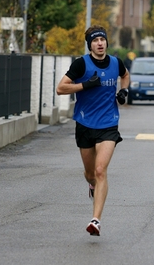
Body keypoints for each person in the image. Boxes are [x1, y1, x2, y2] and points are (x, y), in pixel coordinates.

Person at [56, 25, 130, 236]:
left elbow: (125, 76)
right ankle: (92, 185)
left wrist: (123, 91)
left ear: (107, 42)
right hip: (85, 123)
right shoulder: (81, 64)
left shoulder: (116, 63)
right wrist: (85, 85)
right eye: (95, 40)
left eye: (102, 40)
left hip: (108, 122)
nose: (100, 43)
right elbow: (61, 88)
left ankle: (95, 220)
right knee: (90, 174)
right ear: (90, 44)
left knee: (100, 171)